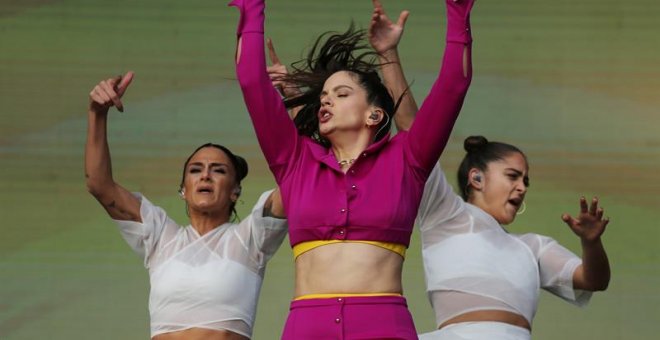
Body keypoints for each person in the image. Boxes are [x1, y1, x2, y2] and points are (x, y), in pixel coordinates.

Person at [231, 0, 475, 338]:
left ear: (374, 114)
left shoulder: (408, 159)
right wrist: (252, 8)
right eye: (325, 96)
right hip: (307, 326)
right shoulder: (295, 160)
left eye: (342, 94)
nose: (326, 100)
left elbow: (453, 87)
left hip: (384, 325)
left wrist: (458, 13)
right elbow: (251, 83)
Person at [84, 71, 287, 340]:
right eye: (195, 170)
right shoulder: (160, 236)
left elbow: (299, 179)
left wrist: (294, 104)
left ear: (235, 191)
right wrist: (97, 114)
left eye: (218, 171)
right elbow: (99, 185)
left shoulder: (250, 238)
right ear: (183, 190)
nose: (205, 175)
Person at [415, 137, 611, 340]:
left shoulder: (533, 247)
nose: (522, 188)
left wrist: (591, 242)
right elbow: (417, 135)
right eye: (513, 176)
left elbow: (594, 280)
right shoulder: (444, 215)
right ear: (477, 178)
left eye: (525, 181)